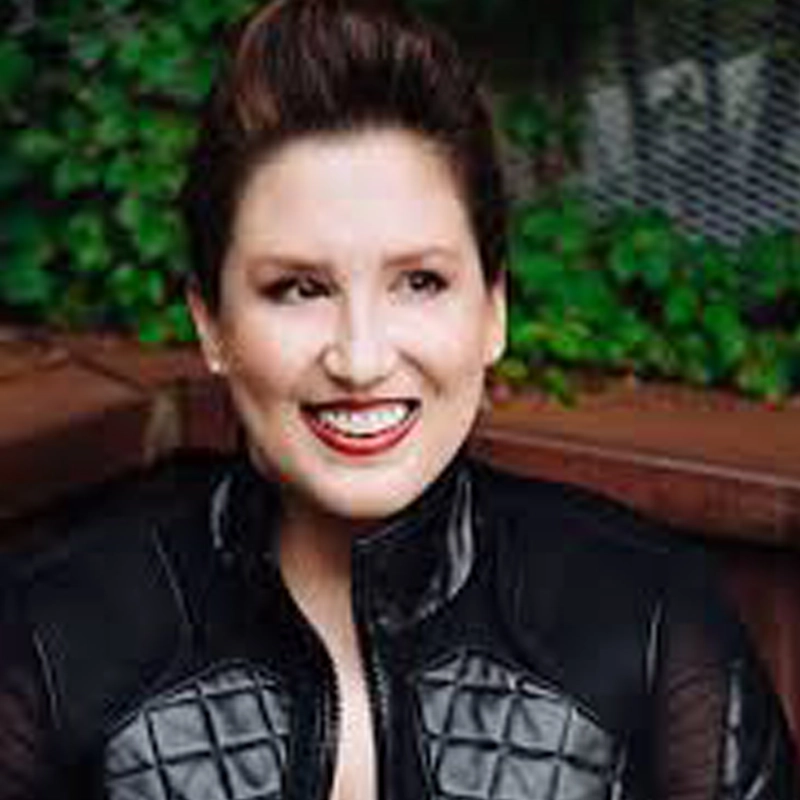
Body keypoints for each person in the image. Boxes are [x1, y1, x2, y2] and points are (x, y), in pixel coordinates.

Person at [0, 0, 797, 797]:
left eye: (419, 282)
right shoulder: (52, 635)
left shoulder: (651, 618)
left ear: (493, 311)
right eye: (298, 288)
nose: (361, 357)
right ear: (211, 324)